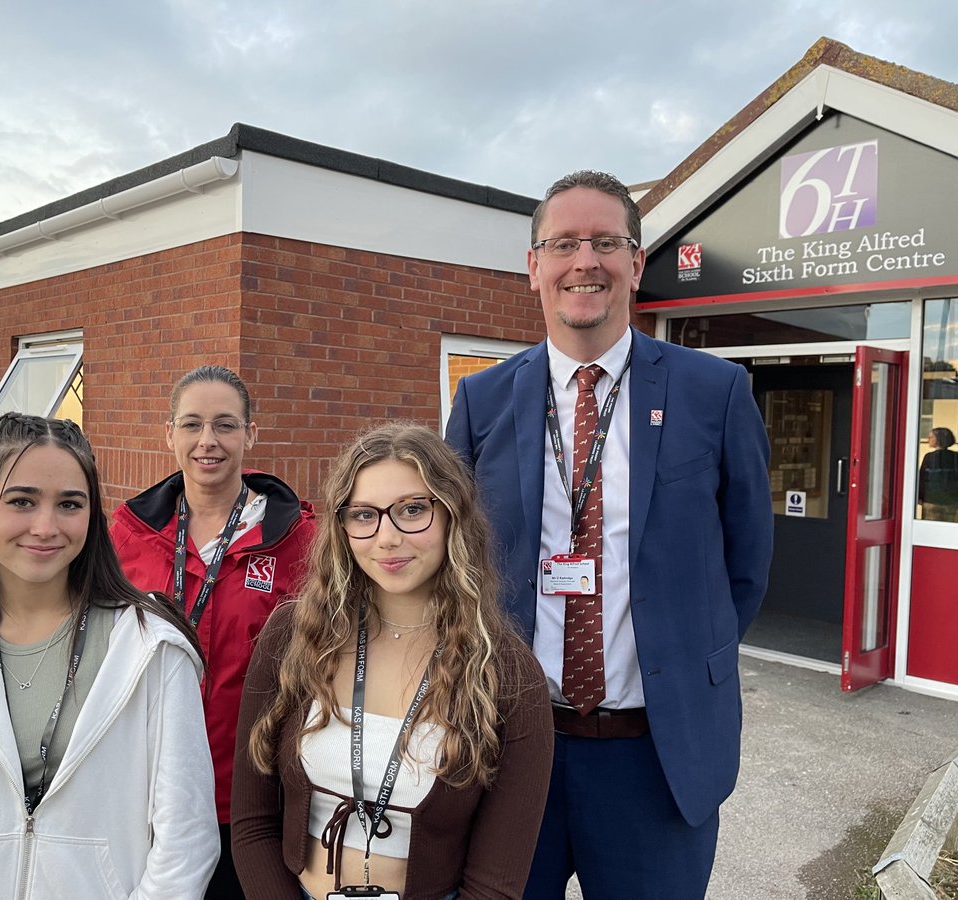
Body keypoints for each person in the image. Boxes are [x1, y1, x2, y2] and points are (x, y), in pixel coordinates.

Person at [446, 171, 773, 899]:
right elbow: (454, 565)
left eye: (605, 242)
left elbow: (746, 564)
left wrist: (683, 651)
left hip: (655, 759)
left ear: (637, 261)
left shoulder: (713, 393)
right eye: (563, 243)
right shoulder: (481, 400)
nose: (584, 261)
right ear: (534, 266)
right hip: (511, 751)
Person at [0, 413, 217, 899]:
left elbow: (186, 841)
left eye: (69, 504)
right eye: (22, 501)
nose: (46, 526)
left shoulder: (152, 652)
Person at [232, 423, 553, 900]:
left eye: (412, 510)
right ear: (341, 527)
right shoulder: (293, 636)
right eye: (364, 515)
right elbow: (252, 825)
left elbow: (495, 884)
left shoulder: (506, 672)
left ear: (452, 516)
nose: (387, 537)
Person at [111, 364, 315, 899]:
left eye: (225, 425)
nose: (208, 441)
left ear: (251, 433)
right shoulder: (126, 536)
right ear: (169, 433)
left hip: (250, 800)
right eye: (192, 424)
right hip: (146, 793)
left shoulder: (299, 540)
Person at [919, 426, 958, 522]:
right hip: (952, 501)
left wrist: (919, 496)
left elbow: (922, 478)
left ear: (939, 439)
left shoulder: (929, 457)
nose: (929, 439)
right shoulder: (955, 457)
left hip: (932, 501)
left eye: (931, 437)